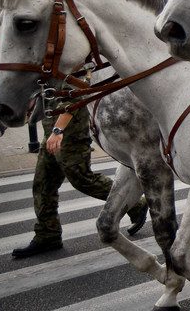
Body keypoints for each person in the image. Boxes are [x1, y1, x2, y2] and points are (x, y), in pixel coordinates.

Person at [13, 104, 148, 258]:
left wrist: (58, 130)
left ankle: (136, 205)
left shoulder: (66, 79)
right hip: (51, 132)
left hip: (70, 134)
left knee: (83, 179)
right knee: (43, 183)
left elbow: (73, 96)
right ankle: (47, 234)